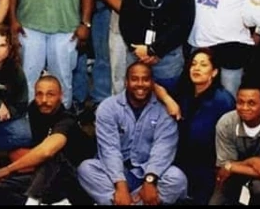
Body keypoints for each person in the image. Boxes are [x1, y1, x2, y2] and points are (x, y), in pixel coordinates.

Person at [77, 62, 188, 205]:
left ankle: (124, 202)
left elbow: (163, 149)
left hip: (149, 172)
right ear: (126, 82)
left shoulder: (165, 110)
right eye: (135, 79)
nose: (140, 84)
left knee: (177, 178)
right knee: (86, 169)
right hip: (116, 173)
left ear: (152, 82)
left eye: (145, 79)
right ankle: (129, 201)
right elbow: (109, 150)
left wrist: (150, 180)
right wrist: (120, 185)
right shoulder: (108, 107)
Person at [0, 74, 93, 205]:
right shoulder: (34, 109)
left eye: (50, 94)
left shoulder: (67, 120)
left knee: (52, 156)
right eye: (39, 94)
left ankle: (33, 201)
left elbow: (46, 151)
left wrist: (9, 168)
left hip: (72, 178)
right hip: (44, 177)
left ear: (60, 96)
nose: (44, 100)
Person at [168, 48, 236, 203]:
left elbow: (230, 142)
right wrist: (168, 100)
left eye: (203, 65)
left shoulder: (223, 101)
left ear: (214, 72)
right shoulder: (183, 90)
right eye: (193, 64)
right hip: (179, 161)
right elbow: (153, 83)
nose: (196, 68)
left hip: (208, 167)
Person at [210, 82, 260, 206]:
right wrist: (252, 161)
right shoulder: (226, 123)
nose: (245, 108)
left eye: (251, 103)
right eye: (240, 102)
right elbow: (223, 169)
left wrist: (232, 166)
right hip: (233, 179)